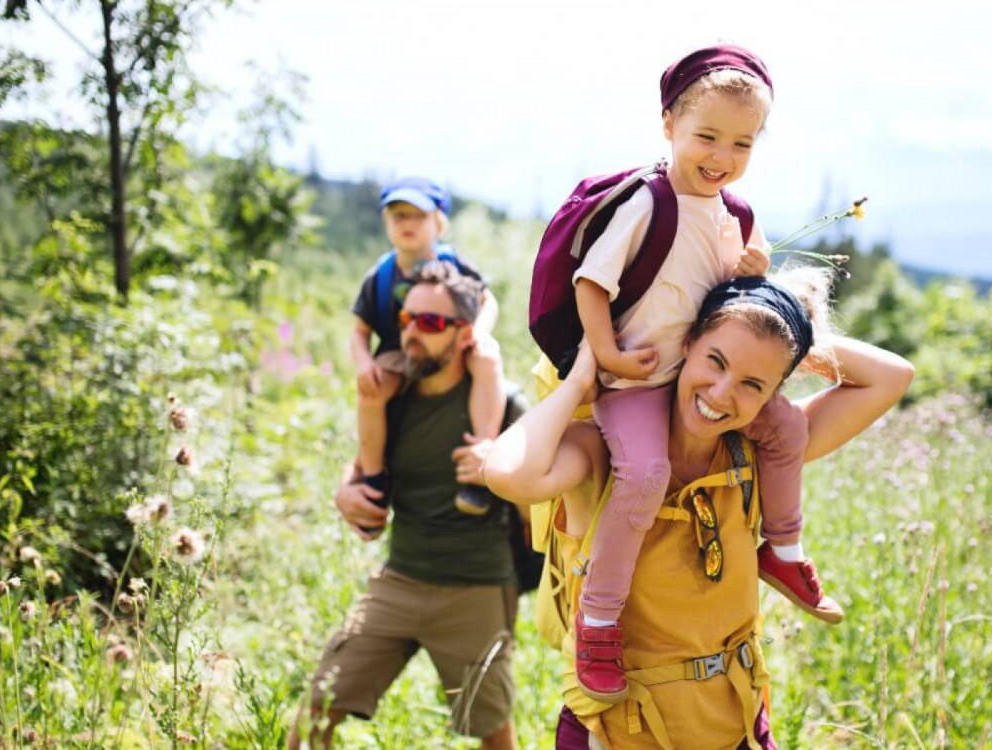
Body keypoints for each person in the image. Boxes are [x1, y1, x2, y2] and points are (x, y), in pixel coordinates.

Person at [486, 271, 914, 749]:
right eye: (716, 359)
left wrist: (778, 331)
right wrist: (580, 381)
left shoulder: (759, 455)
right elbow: (508, 474)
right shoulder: (603, 453)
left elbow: (892, 376)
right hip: (617, 734)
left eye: (753, 383)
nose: (721, 393)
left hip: (735, 726)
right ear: (685, 343)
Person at [563, 44, 836, 704]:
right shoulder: (646, 204)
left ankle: (784, 548)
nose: (722, 156)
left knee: (786, 430)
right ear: (668, 126)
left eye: (741, 144)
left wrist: (753, 262)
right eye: (706, 136)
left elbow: (750, 269)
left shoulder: (733, 211)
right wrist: (607, 357)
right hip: (637, 380)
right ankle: (598, 621)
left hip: (699, 377)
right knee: (645, 474)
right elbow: (591, 283)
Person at [291, 261, 522, 750]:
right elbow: (362, 466)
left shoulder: (504, 403)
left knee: (492, 727)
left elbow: (543, 489)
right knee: (315, 710)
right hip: (400, 580)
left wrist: (502, 464)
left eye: (431, 323)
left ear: (465, 335)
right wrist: (343, 491)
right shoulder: (394, 395)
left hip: (476, 587)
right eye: (407, 319)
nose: (413, 332)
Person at [351, 177, 506, 527]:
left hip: (452, 345)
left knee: (488, 358)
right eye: (397, 216)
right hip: (398, 352)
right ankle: (374, 479)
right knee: (371, 392)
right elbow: (359, 331)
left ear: (439, 223)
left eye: (417, 216)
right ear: (386, 223)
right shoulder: (380, 276)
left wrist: (479, 332)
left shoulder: (456, 266)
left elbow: (487, 301)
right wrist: (363, 363)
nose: (407, 224)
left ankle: (480, 457)